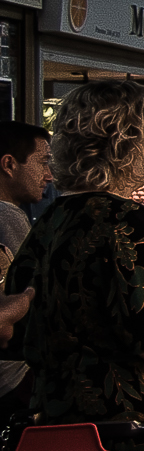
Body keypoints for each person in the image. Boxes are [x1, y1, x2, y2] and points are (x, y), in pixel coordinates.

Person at [4, 81, 144, 423]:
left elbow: (18, 328)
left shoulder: (52, 218)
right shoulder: (131, 220)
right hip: (128, 426)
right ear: (128, 143)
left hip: (58, 416)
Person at [0, 122, 51, 410]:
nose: (49, 175)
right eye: (42, 162)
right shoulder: (7, 215)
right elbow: (29, 292)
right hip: (10, 380)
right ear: (9, 164)